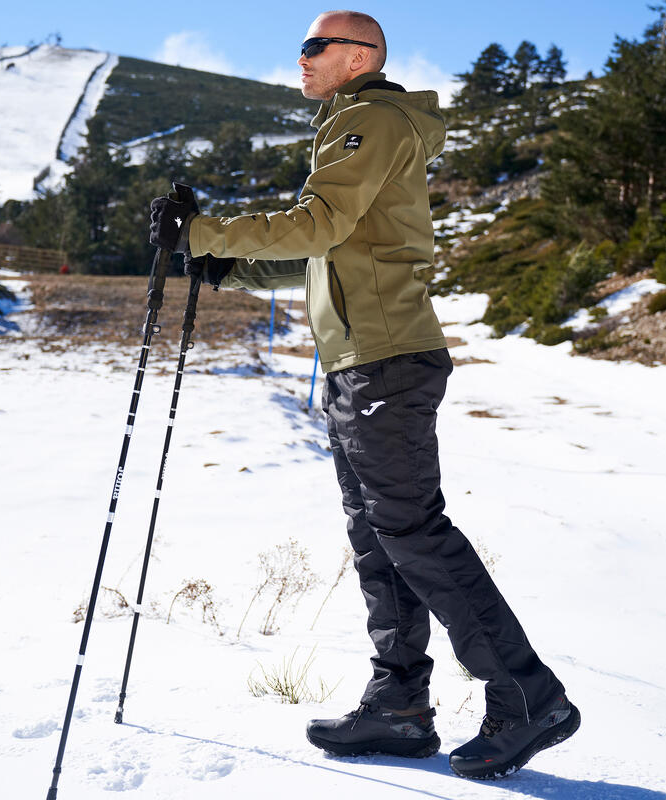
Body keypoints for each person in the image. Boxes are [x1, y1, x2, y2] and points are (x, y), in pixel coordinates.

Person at [149, 9, 579, 781]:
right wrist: (224, 267)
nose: (301, 60)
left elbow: (318, 224)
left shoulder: (371, 120)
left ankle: (526, 695)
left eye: (315, 47)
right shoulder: (356, 122)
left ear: (359, 56)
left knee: (411, 531)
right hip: (361, 362)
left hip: (385, 360)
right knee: (379, 538)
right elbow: (334, 250)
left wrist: (206, 231)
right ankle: (401, 705)